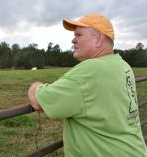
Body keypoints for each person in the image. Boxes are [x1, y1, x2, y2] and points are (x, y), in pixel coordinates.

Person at [28, 13, 147, 157]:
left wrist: (35, 86)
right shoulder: (122, 65)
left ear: (98, 39)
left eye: (79, 35)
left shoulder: (89, 70)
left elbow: (38, 101)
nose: (73, 40)